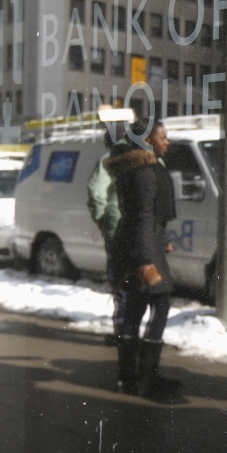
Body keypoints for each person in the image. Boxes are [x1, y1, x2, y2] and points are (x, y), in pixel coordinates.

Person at [104, 118, 180, 397]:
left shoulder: (140, 168)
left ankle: (133, 376)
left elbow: (146, 217)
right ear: (148, 141)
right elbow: (141, 217)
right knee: (159, 303)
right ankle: (144, 376)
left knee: (137, 309)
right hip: (141, 250)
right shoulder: (145, 172)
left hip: (142, 246)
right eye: (163, 137)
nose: (167, 141)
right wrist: (146, 259)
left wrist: (160, 242)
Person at [89, 114, 126, 346]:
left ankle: (121, 331)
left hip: (116, 227)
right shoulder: (141, 156)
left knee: (119, 280)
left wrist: (103, 219)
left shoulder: (107, 160)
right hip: (137, 227)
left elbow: (96, 192)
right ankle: (129, 330)